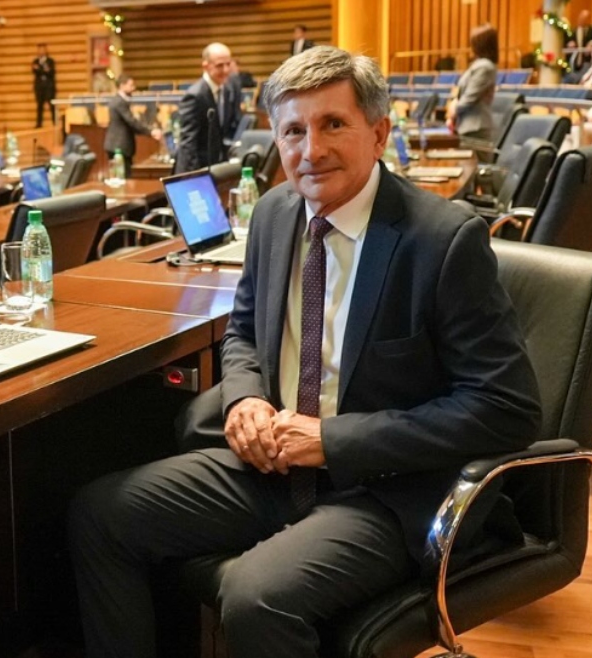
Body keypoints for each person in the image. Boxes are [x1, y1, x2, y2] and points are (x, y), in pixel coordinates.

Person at [68, 45, 541, 658]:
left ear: (379, 133)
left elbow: (505, 407)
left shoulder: (442, 239)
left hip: (384, 488)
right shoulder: (273, 214)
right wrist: (244, 400)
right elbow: (243, 332)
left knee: (255, 596)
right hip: (275, 468)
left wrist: (332, 440)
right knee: (102, 514)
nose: (311, 150)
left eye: (333, 124)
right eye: (293, 131)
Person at [174, 42, 238, 174]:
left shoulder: (227, 91)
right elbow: (188, 143)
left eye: (228, 64)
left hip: (216, 166)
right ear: (206, 66)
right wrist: (195, 177)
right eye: (220, 65)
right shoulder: (194, 96)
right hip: (196, 168)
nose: (226, 70)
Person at [103, 74, 162, 178]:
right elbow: (132, 121)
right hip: (119, 146)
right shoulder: (119, 102)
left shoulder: (119, 101)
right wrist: (151, 131)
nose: (133, 88)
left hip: (119, 145)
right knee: (122, 178)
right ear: (122, 85)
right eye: (131, 85)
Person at [448, 24, 498, 147]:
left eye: (474, 42)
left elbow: (470, 97)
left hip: (476, 129)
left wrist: (453, 110)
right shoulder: (477, 65)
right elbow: (460, 91)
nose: (471, 46)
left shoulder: (484, 67)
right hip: (466, 126)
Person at [32, 43, 57, 127]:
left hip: (49, 88)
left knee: (52, 106)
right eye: (39, 49)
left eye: (43, 49)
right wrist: (44, 70)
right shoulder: (35, 61)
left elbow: (51, 72)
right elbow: (35, 71)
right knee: (39, 106)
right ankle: (38, 124)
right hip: (39, 87)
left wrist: (40, 69)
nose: (41, 51)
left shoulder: (50, 61)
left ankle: (55, 123)